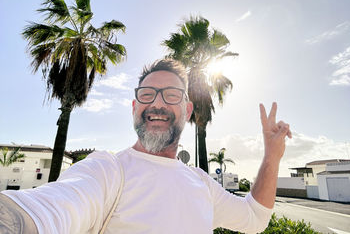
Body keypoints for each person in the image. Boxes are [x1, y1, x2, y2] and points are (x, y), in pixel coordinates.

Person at [0, 59, 291, 234]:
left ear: (188, 111)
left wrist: (272, 156)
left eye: (172, 95)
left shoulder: (201, 182)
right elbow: (46, 210)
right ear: (134, 107)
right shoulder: (108, 170)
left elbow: (254, 219)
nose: (158, 103)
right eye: (148, 94)